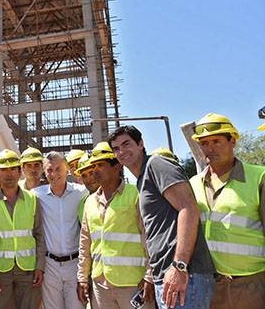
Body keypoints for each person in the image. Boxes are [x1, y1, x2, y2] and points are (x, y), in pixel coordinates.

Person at [107, 126, 216, 309]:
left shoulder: (157, 165)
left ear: (141, 144)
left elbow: (188, 209)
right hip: (167, 276)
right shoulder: (142, 179)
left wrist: (179, 266)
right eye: (116, 149)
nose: (121, 151)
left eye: (126, 144)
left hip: (185, 276)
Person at [190, 113, 265, 309]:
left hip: (253, 284)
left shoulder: (259, 177)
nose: (210, 148)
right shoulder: (192, 185)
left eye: (216, 141)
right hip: (211, 286)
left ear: (233, 141)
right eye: (204, 143)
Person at [77, 142, 154, 309]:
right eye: (94, 165)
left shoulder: (135, 195)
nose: (95, 170)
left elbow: (149, 237)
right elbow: (85, 243)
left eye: (101, 165)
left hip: (133, 283)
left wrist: (149, 276)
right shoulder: (90, 202)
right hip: (100, 284)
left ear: (117, 166)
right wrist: (82, 278)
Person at [0, 149, 45, 309]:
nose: (9, 173)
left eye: (13, 169)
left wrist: (40, 267)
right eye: (4, 169)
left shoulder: (32, 199)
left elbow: (39, 235)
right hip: (0, 271)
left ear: (19, 172)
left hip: (28, 270)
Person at [35, 152, 88, 309]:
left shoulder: (80, 193)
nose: (54, 174)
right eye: (49, 170)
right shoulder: (37, 196)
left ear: (67, 169)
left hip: (75, 264)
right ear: (45, 172)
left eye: (58, 169)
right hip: (50, 266)